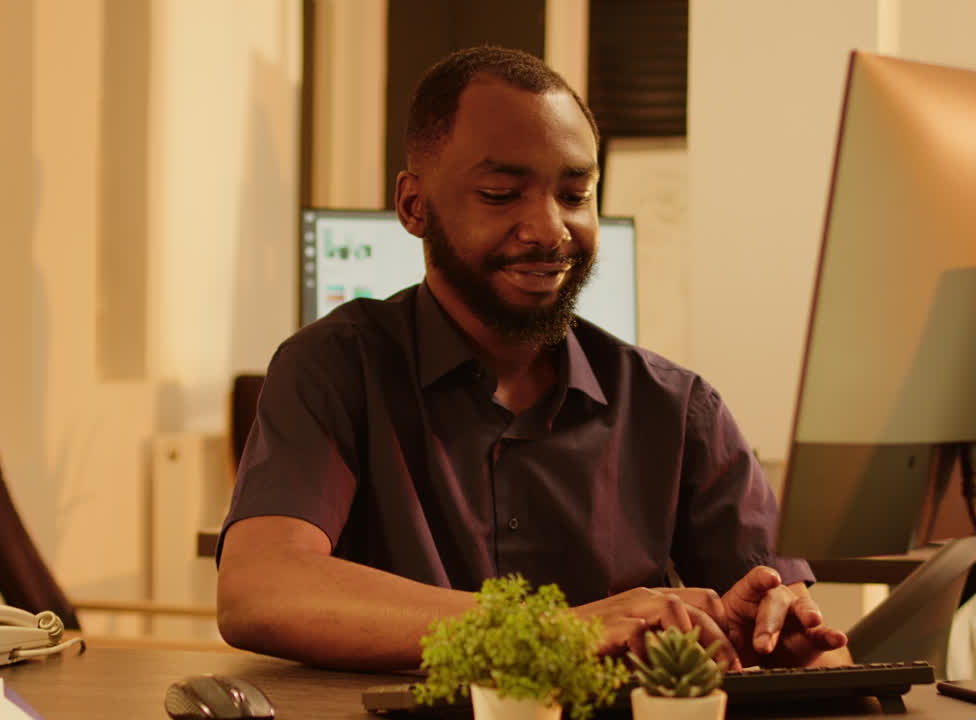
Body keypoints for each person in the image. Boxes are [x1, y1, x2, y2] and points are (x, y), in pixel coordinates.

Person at [216, 45, 849, 672]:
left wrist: (776, 637)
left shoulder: (676, 407)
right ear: (414, 206)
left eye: (575, 195)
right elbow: (260, 589)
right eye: (500, 194)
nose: (549, 230)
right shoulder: (334, 367)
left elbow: (805, 642)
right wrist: (558, 630)